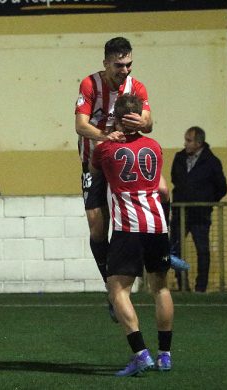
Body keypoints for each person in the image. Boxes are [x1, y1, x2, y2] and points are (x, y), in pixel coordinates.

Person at [91, 94, 174, 376]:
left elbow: (94, 172)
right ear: (140, 116)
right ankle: (165, 355)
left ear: (115, 116)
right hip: (157, 225)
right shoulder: (155, 146)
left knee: (117, 289)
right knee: (160, 288)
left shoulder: (105, 149)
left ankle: (140, 353)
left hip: (128, 228)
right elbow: (163, 190)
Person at [74, 36, 153, 317]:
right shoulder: (90, 84)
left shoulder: (137, 87)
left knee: (132, 221)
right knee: (97, 226)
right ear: (106, 63)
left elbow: (149, 123)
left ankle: (127, 283)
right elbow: (80, 125)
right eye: (119, 65)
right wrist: (107, 137)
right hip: (94, 163)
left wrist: (141, 122)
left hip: (124, 164)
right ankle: (111, 286)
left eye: (129, 64)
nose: (126, 70)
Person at [170, 126, 227, 292]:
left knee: (202, 250)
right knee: (175, 250)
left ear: (198, 143)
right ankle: (182, 285)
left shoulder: (211, 161)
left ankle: (200, 287)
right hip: (180, 212)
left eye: (189, 140)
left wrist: (207, 201)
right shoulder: (179, 158)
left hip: (201, 214)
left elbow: (222, 188)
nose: (185, 144)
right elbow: (176, 178)